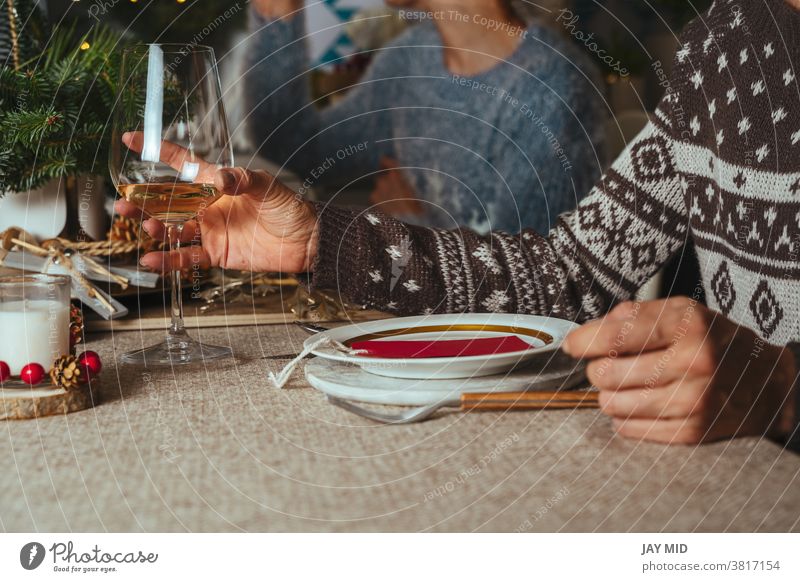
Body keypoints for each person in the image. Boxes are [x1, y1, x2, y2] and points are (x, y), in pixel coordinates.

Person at [117, 0, 800, 450]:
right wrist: (322, 240)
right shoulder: (732, 41)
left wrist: (783, 385)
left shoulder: (552, 82)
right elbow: (567, 278)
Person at [243, 0, 607, 234]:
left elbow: (535, 285)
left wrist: (410, 223)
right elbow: (300, 149)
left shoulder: (549, 90)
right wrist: (277, 18)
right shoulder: (412, 57)